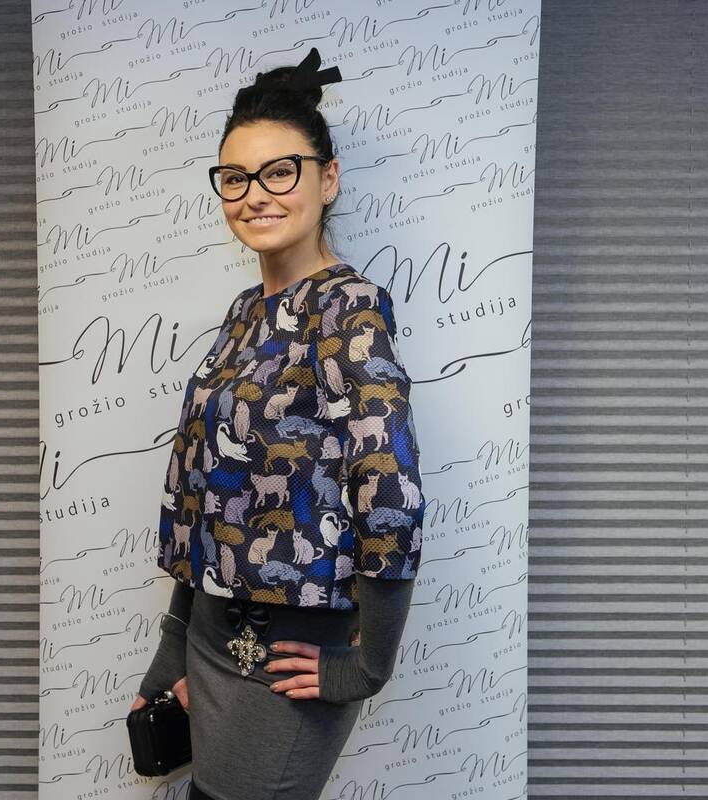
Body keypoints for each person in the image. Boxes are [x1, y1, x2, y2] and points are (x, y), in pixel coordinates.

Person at [128, 48, 426, 800]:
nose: (254, 196)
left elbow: (388, 489)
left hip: (291, 648)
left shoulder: (349, 308)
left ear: (328, 179)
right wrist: (173, 646)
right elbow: (210, 491)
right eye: (235, 178)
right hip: (210, 634)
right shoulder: (243, 313)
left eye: (279, 172)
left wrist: (370, 664)